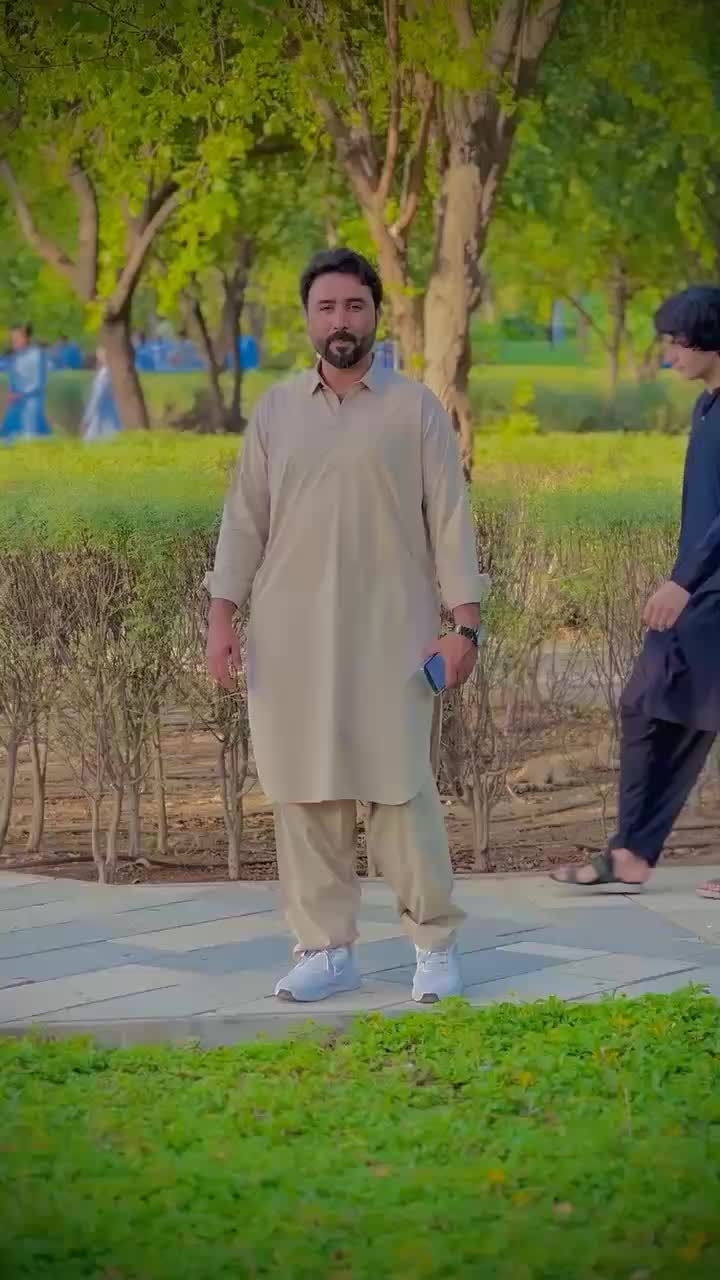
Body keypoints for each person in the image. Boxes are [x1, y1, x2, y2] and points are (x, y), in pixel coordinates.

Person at [206, 248, 487, 1003]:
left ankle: (433, 945)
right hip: (289, 640)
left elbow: (451, 521)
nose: (341, 321)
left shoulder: (414, 409)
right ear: (307, 319)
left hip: (392, 637)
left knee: (401, 792)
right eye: (327, 307)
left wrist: (464, 626)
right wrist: (222, 617)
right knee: (303, 795)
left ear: (374, 316)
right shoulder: (276, 411)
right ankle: (325, 950)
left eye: (354, 306)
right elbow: (244, 520)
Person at [551, 285, 720, 900]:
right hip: (701, 591)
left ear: (710, 339)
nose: (669, 354)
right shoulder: (707, 407)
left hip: (704, 590)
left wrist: (682, 581)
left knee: (683, 713)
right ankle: (630, 853)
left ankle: (631, 852)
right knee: (650, 705)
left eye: (677, 342)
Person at [0, 323, 52, 441]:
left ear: (26, 338)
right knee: (8, 432)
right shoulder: (13, 356)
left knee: (29, 431)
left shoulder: (37, 355)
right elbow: (11, 376)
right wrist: (12, 393)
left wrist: (22, 394)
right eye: (12, 338)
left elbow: (39, 382)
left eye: (17, 338)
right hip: (15, 400)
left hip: (31, 400)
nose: (14, 341)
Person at [81, 347, 121, 441]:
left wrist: (87, 419)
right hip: (112, 412)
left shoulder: (104, 374)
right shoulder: (114, 372)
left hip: (101, 413)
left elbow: (96, 398)